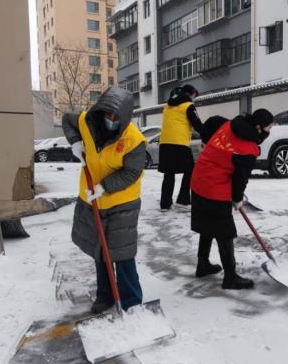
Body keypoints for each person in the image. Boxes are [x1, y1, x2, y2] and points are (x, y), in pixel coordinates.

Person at [62, 87, 147, 314]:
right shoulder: (87, 123)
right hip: (91, 201)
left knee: (122, 253)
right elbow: (68, 121)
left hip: (122, 203)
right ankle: (105, 295)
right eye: (107, 115)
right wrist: (75, 143)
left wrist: (103, 187)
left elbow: (132, 173)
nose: (110, 120)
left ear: (125, 117)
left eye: (116, 118)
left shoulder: (133, 140)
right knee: (100, 252)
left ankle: (131, 302)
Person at [190, 109, 274, 289]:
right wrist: (237, 199)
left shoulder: (229, 124)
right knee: (224, 232)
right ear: (258, 128)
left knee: (207, 225)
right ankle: (230, 276)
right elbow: (239, 180)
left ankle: (202, 264)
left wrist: (205, 141)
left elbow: (211, 121)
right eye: (268, 128)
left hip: (198, 180)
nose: (269, 132)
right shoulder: (247, 150)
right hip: (214, 187)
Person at [159, 84, 203, 211]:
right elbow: (197, 125)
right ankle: (183, 200)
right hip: (179, 143)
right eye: (194, 96)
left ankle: (165, 204)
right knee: (190, 170)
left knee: (169, 173)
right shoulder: (188, 105)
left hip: (165, 143)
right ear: (190, 93)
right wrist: (209, 135)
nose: (193, 99)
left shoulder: (167, 105)